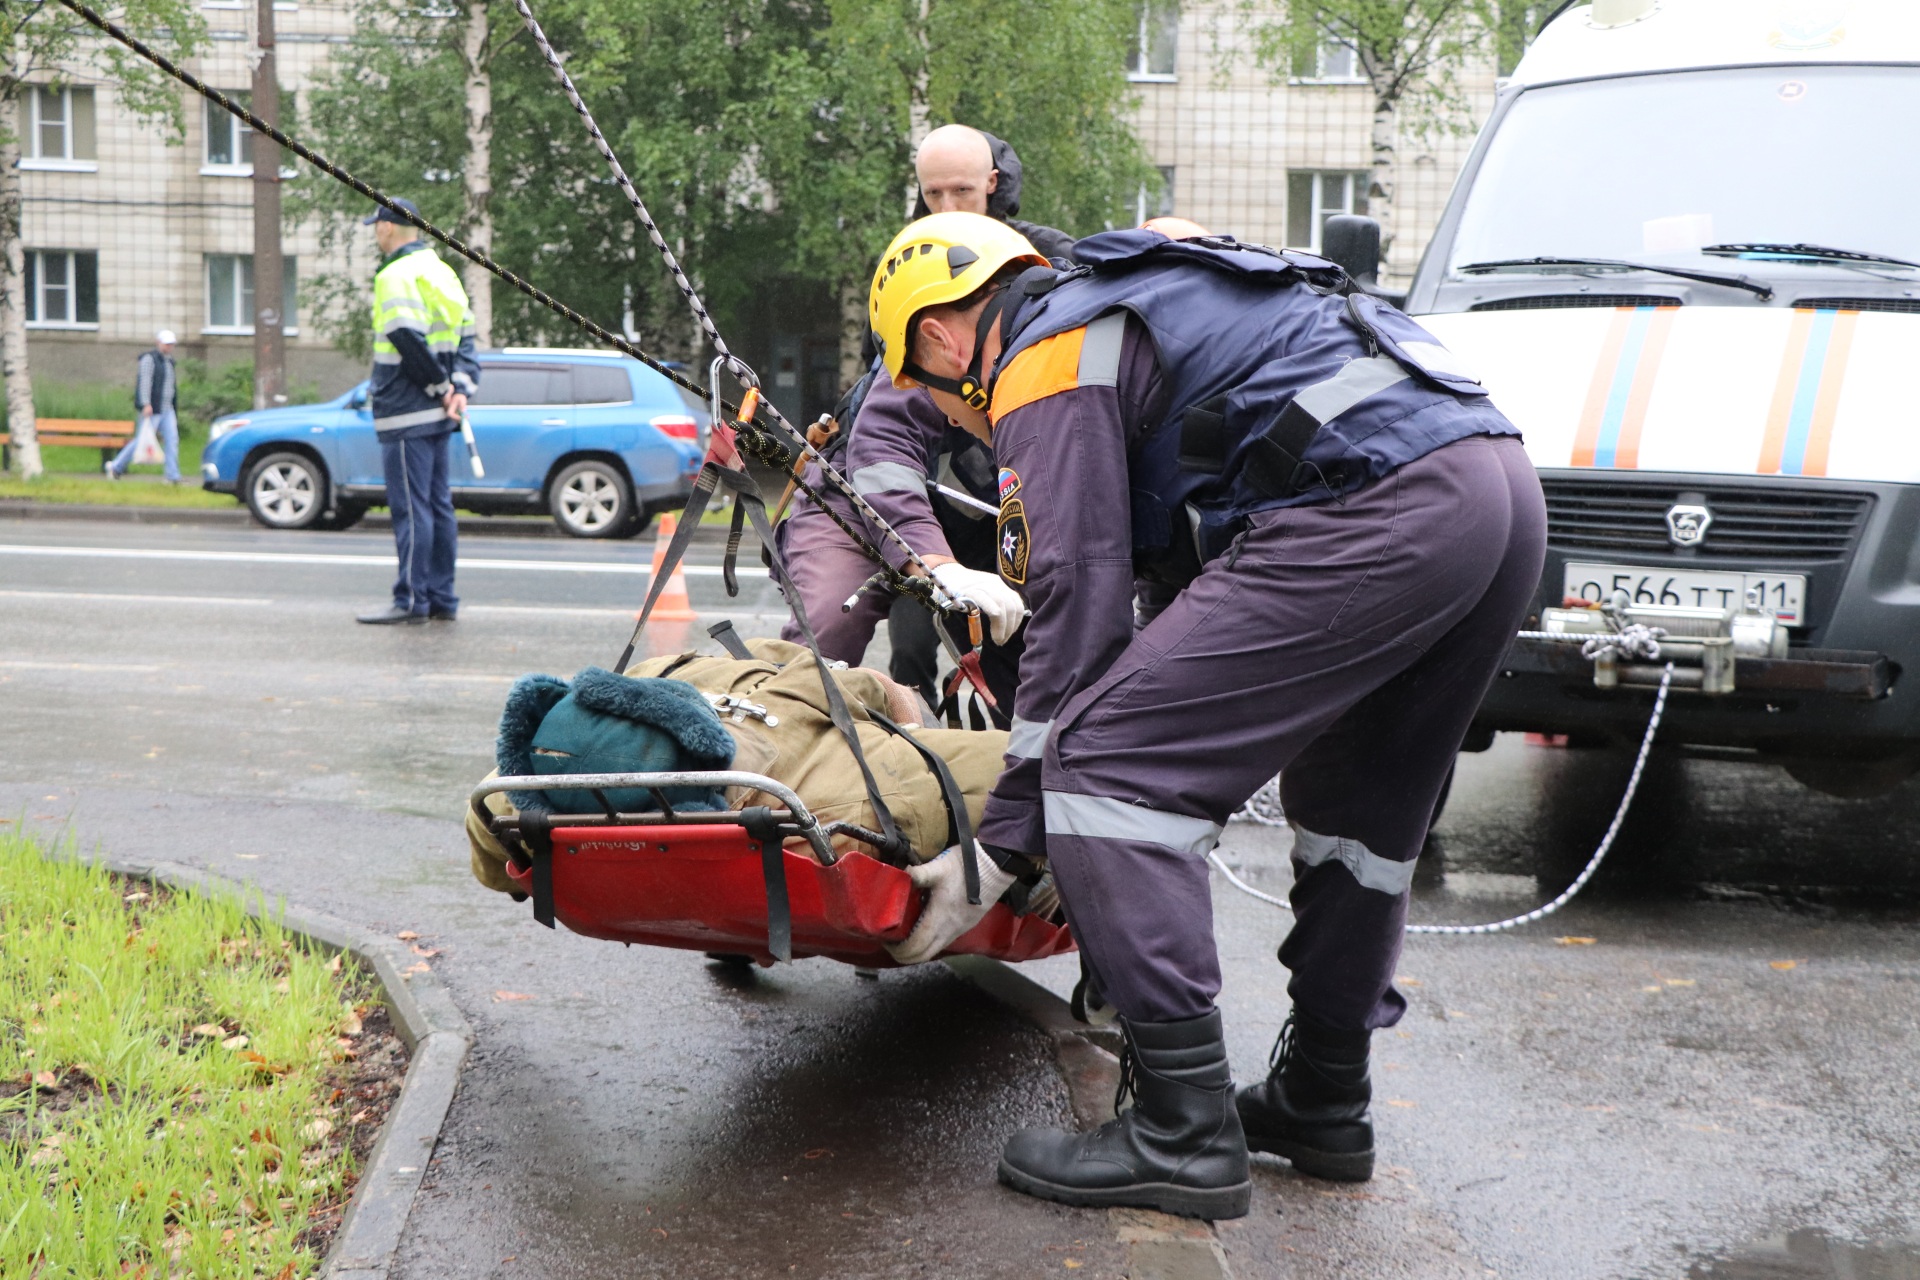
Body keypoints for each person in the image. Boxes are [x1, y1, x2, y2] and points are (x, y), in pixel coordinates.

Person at [865, 213, 1545, 1219]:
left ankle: (1180, 1133)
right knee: (1361, 811)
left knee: (1104, 764)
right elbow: (1168, 594)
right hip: (1492, 489)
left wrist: (1001, 844)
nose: (954, 421)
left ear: (938, 339)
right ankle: (1325, 1092)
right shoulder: (1143, 309)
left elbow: (1076, 605)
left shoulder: (1041, 358)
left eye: (925, 396)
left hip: (1376, 504)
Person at [463, 636, 1051, 964]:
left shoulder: (515, 798)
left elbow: (494, 859)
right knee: (1057, 772)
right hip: (862, 796)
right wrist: (898, 705)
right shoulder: (840, 806)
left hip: (720, 869)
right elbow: (1051, 779)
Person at [773, 125, 1072, 709]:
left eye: (960, 191)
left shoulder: (1048, 266)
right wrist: (932, 561)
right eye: (933, 194)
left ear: (992, 183)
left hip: (983, 503)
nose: (946, 207)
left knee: (1006, 646)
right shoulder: (912, 265)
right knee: (835, 636)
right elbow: (886, 418)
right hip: (871, 483)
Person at [355, 198, 480, 626]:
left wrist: (439, 386)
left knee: (412, 508)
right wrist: (460, 389)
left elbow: (406, 339)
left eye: (377, 226)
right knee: (438, 506)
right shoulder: (442, 271)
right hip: (439, 412)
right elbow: (466, 336)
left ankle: (411, 600)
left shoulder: (394, 275)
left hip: (405, 410)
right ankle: (442, 597)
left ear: (388, 228)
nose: (376, 233)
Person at [106, 330, 179, 483]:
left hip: (167, 408)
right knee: (141, 440)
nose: (169, 347)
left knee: (172, 439)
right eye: (166, 344)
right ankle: (116, 467)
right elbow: (145, 382)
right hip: (153, 407)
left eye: (171, 344)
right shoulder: (149, 359)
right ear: (158, 343)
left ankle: (172, 475)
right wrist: (146, 403)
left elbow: (171, 385)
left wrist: (173, 404)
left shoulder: (169, 361)